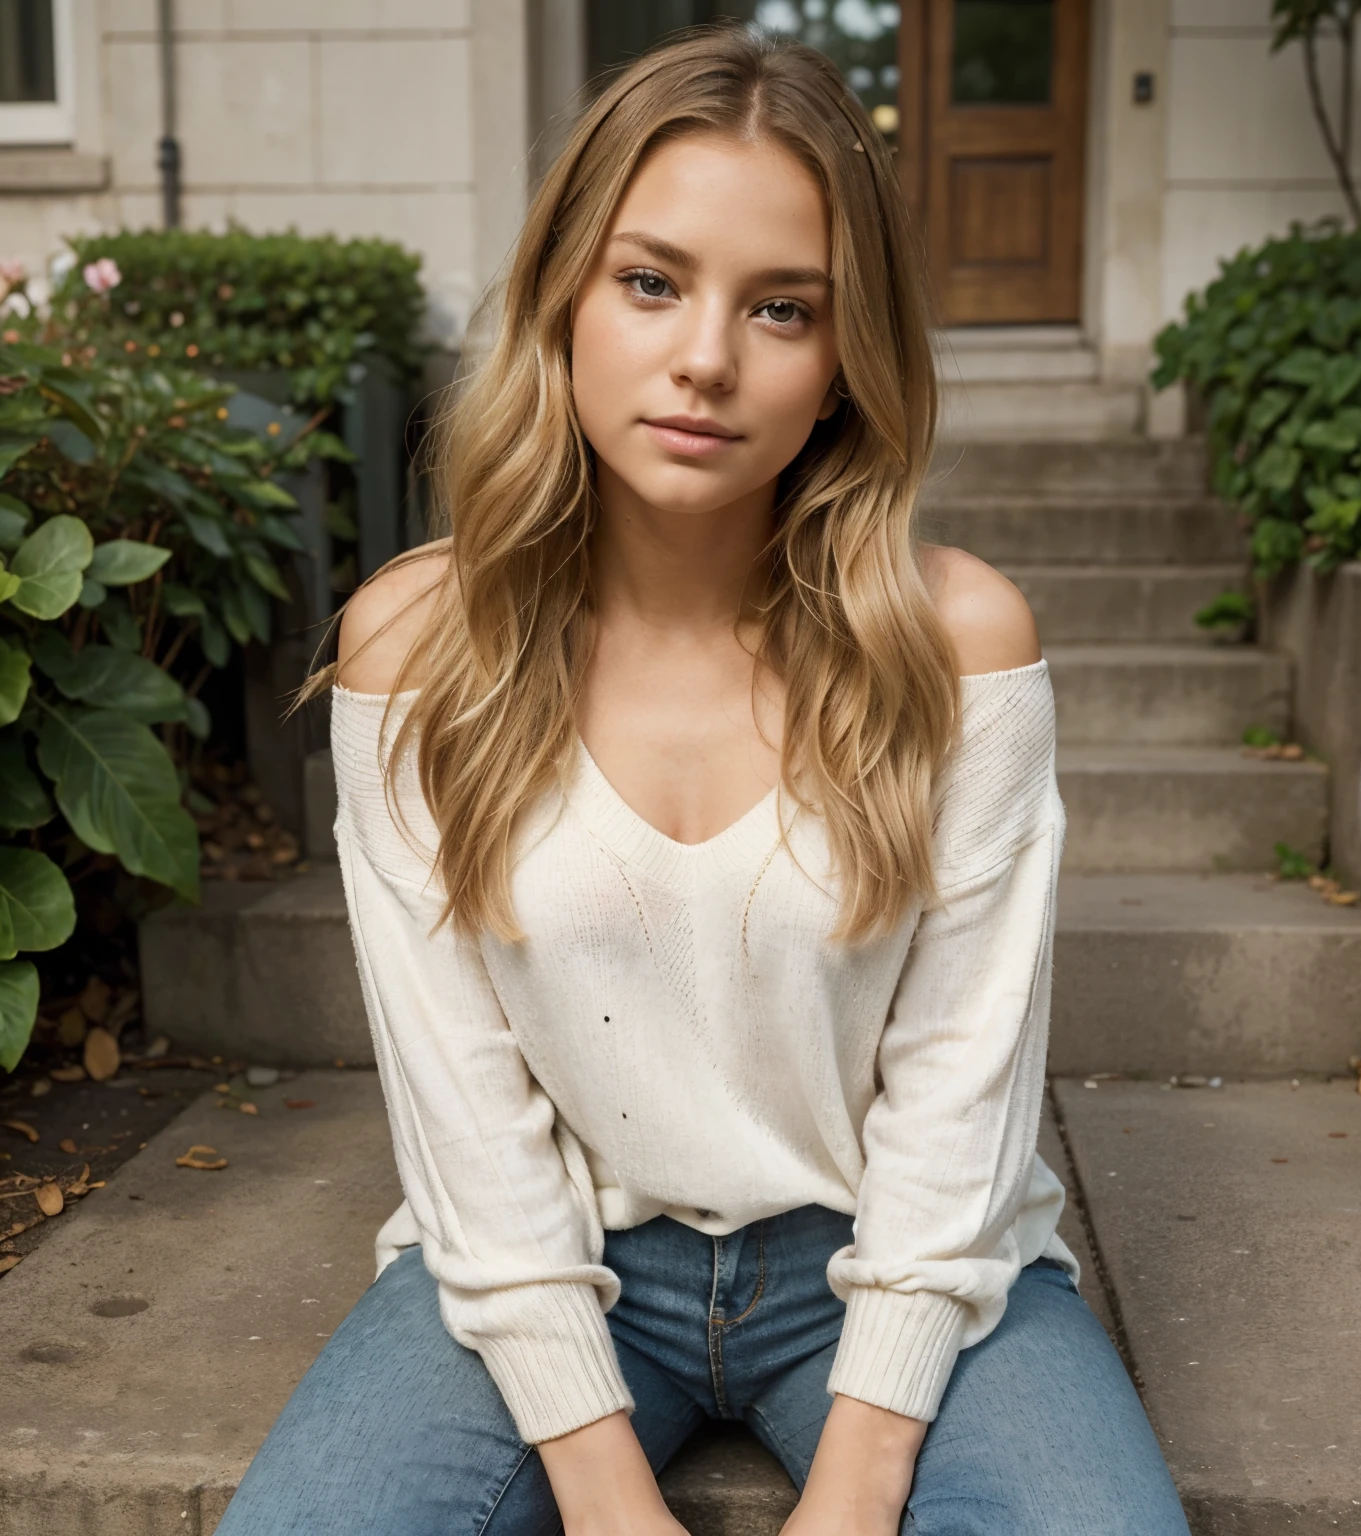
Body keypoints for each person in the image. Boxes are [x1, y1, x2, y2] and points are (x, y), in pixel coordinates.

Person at [215, 25, 1190, 1536]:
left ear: (845, 366)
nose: (706, 359)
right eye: (651, 280)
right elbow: (460, 1102)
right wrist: (605, 1495)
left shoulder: (956, 644)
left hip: (887, 1253)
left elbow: (960, 1089)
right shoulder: (417, 645)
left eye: (782, 307)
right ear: (563, 299)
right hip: (544, 1259)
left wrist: (859, 1485)